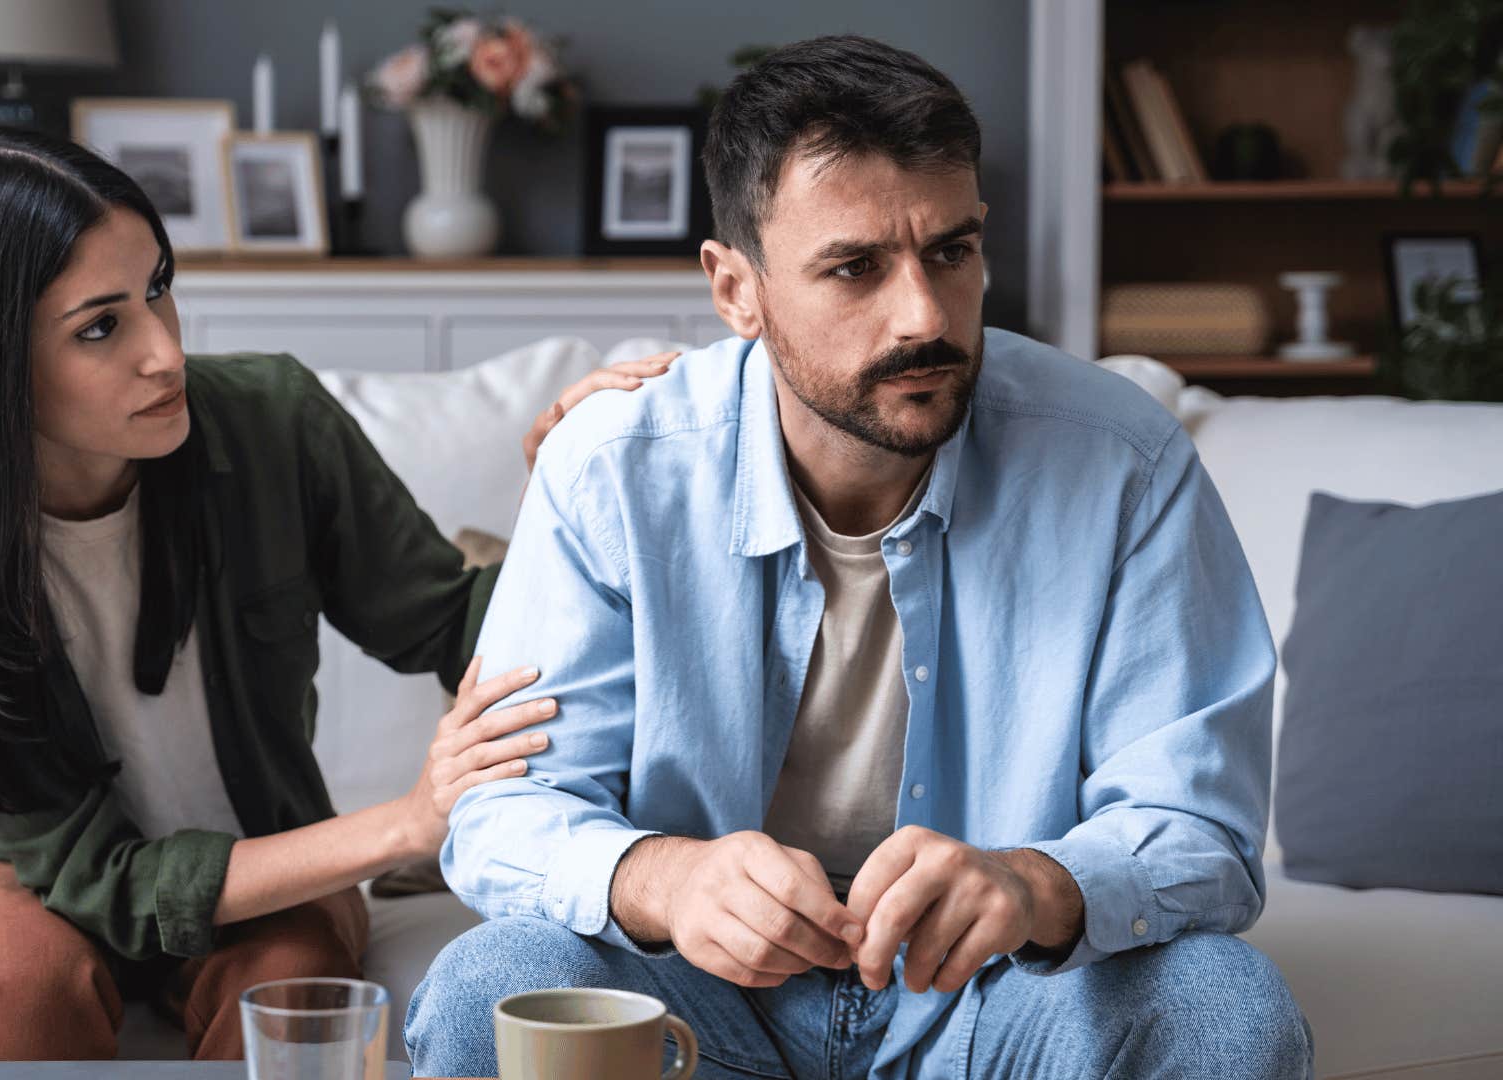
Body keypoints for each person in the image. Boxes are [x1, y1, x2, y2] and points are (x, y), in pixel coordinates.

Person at [409, 35, 1313, 1080]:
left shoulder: (1126, 463)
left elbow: (1201, 826)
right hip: (698, 1001)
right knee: (491, 985)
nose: (925, 316)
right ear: (735, 289)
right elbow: (504, 812)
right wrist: (665, 881)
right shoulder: (614, 471)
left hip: (999, 992)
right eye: (855, 267)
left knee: (1221, 1004)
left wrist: (1033, 885)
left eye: (951, 251)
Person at [0, 126, 668, 1061]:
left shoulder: (273, 423)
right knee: (27, 982)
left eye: (158, 288)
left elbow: (451, 625)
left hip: (267, 860)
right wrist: (406, 822)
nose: (164, 352)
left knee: (289, 988)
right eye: (100, 326)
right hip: (24, 875)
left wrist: (565, 491)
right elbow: (101, 882)